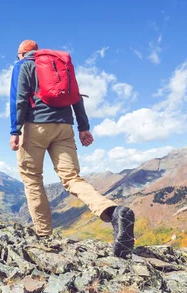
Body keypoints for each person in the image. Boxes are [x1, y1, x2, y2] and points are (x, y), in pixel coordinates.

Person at [9, 39, 135, 258]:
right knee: (72, 178)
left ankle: (44, 236)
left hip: (35, 127)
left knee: (32, 179)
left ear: (22, 53)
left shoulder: (23, 65)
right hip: (64, 127)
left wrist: (15, 130)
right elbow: (76, 97)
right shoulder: (60, 66)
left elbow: (18, 98)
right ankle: (113, 212)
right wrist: (83, 128)